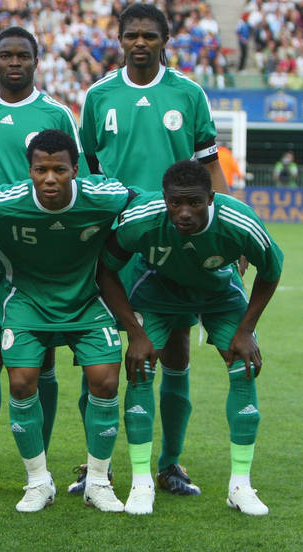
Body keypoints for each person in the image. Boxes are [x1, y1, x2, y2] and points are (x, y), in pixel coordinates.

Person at [78, 2, 231, 497]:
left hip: (176, 240)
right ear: (119, 39)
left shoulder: (188, 94)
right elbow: (89, 173)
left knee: (175, 351)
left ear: (166, 40)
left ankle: (169, 464)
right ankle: (94, 467)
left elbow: (209, 170)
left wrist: (225, 226)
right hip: (117, 244)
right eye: (130, 35)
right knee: (101, 354)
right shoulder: (99, 96)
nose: (139, 42)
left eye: (149, 35)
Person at [0, 130, 135, 513]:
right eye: (41, 169)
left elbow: (140, 200)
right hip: (27, 301)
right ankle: (38, 482)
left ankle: (97, 481)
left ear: (75, 170)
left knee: (107, 381)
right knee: (22, 381)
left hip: (86, 301)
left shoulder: (102, 196)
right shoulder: (5, 203)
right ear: (28, 170)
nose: (50, 178)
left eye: (59, 169)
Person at [99, 160, 283, 515]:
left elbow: (272, 270)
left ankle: (240, 486)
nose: (184, 212)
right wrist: (135, 333)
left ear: (211, 197)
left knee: (243, 366)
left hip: (218, 294)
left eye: (195, 203)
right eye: (175, 203)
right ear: (165, 198)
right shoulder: (142, 218)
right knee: (141, 368)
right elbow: (106, 269)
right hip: (156, 291)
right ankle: (141, 482)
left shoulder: (238, 221)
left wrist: (245, 330)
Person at [0, 26, 85, 495]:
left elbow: (77, 182)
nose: (14, 62)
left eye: (23, 55)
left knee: (43, 359)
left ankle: (43, 463)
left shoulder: (56, 114)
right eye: (6, 55)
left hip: (40, 260)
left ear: (37, 59)